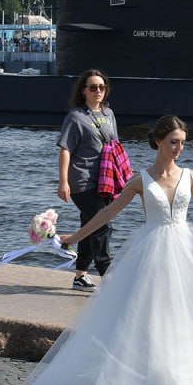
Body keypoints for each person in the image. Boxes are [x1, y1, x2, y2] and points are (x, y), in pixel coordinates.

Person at [27, 116, 193, 385]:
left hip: (185, 250)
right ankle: (142, 383)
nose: (179, 148)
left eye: (182, 142)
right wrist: (74, 237)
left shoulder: (190, 176)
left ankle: (189, 381)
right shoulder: (140, 180)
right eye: (173, 142)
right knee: (145, 316)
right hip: (151, 250)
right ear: (158, 142)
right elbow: (108, 213)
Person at [57, 69, 120, 291]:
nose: (98, 91)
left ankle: (80, 275)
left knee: (90, 224)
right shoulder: (76, 117)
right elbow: (65, 149)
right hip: (82, 181)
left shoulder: (108, 114)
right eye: (93, 87)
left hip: (105, 180)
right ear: (84, 91)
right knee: (103, 224)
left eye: (101, 87)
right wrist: (63, 181)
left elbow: (114, 146)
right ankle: (107, 272)